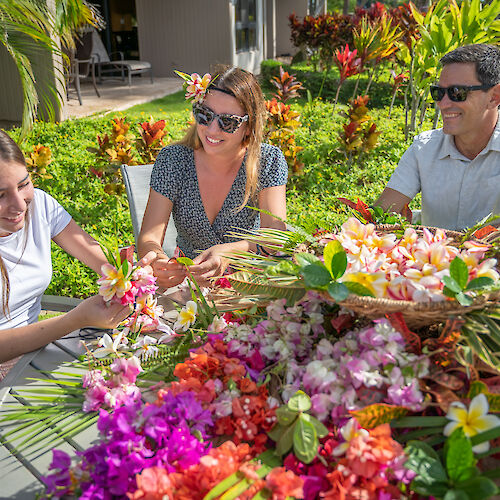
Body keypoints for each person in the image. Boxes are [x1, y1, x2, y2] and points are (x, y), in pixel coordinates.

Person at [138, 65, 288, 288]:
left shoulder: (267, 161)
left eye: (228, 121)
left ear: (248, 126)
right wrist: (157, 260)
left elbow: (275, 239)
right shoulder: (173, 160)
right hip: (188, 289)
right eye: (205, 115)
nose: (212, 130)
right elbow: (149, 237)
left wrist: (233, 251)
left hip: (250, 287)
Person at [0, 130, 130, 365]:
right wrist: (74, 320)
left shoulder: (40, 206)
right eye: (0, 195)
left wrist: (134, 275)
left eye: (24, 184)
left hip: (34, 356)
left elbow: (104, 264)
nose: (20, 205)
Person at [375, 44, 500, 230]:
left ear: (494, 97)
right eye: (438, 93)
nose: (443, 104)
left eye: (457, 93)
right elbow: (380, 214)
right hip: (433, 258)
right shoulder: (424, 149)